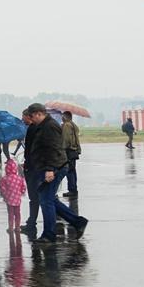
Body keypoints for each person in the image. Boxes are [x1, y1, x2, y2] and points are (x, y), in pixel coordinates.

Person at [24, 103, 89, 243]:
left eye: (31, 116)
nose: (30, 119)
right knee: (49, 198)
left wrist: (49, 169)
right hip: (49, 167)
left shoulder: (49, 126)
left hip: (55, 167)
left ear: (38, 114)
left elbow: (53, 149)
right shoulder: (42, 126)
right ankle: (78, 222)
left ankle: (49, 234)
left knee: (46, 200)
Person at [20, 111, 42, 235]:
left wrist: (28, 163)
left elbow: (31, 150)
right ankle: (31, 221)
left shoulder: (33, 129)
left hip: (33, 168)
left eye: (24, 117)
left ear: (30, 116)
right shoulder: (33, 128)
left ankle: (32, 223)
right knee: (37, 198)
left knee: (35, 197)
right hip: (33, 166)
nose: (22, 119)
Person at [0, 158, 27, 233]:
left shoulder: (4, 179)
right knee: (18, 213)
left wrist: (4, 196)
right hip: (17, 199)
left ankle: (10, 227)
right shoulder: (19, 178)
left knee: (10, 214)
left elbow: (2, 189)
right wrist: (20, 193)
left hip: (9, 199)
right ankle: (17, 227)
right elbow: (23, 188)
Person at [62, 111, 82, 199]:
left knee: (69, 171)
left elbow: (66, 140)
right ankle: (74, 189)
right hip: (74, 150)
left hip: (68, 151)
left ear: (65, 117)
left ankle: (72, 190)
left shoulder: (66, 125)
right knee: (73, 171)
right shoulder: (74, 125)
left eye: (63, 116)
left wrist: (62, 150)